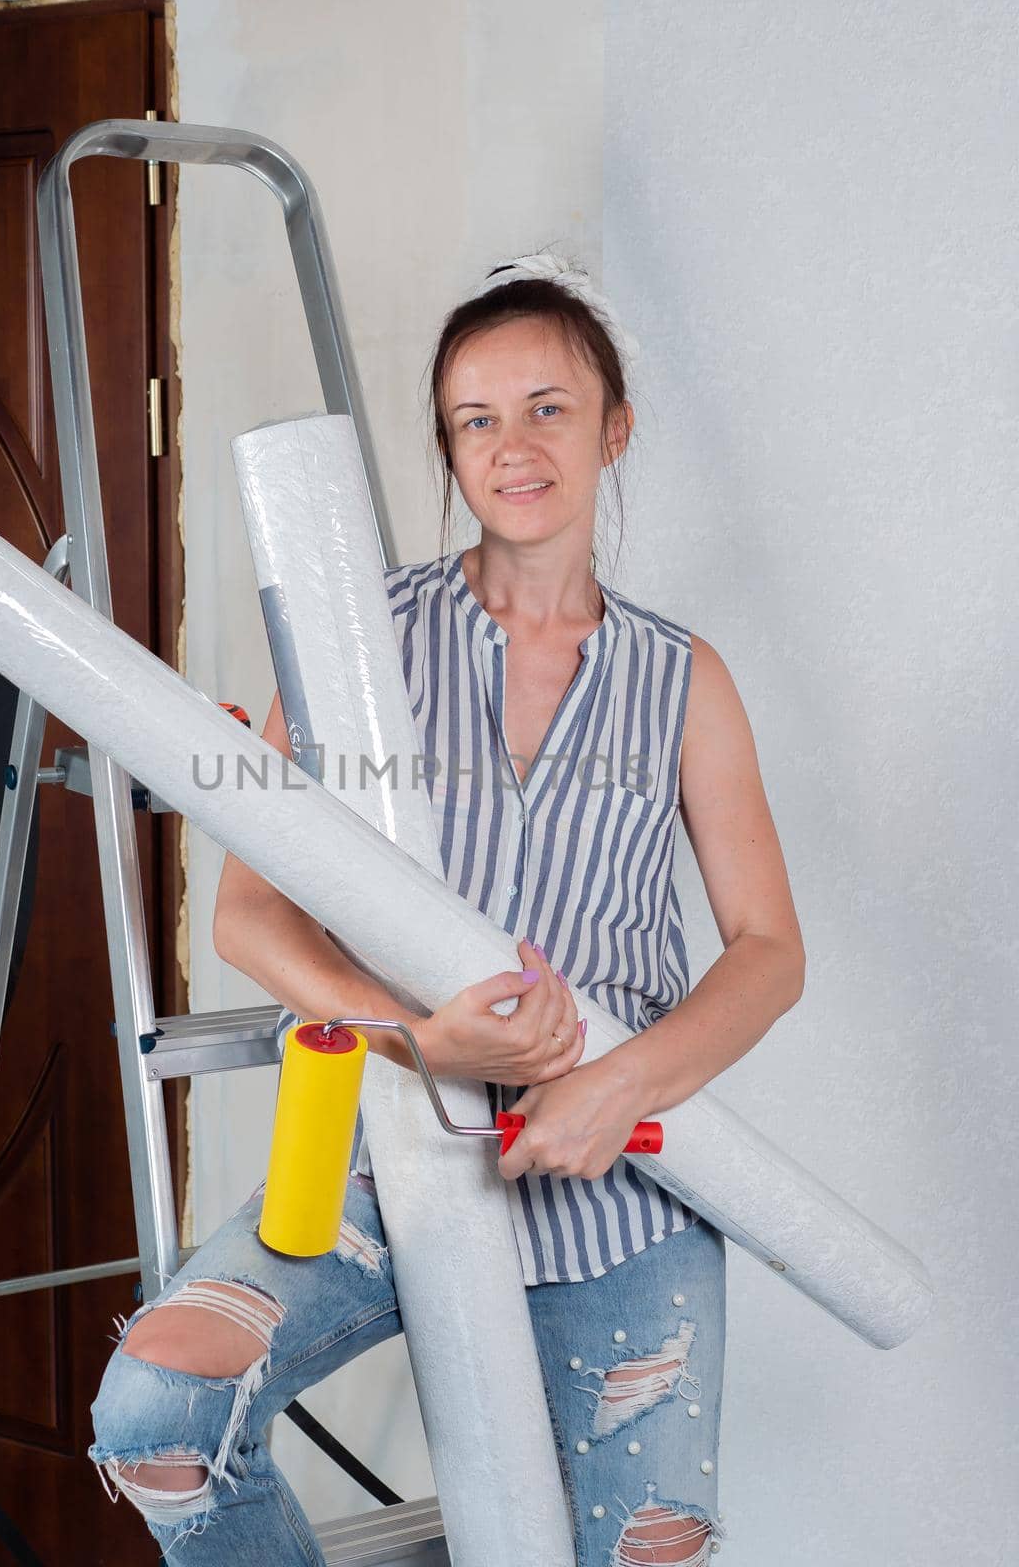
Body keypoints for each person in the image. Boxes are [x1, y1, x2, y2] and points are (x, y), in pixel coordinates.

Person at [87, 251, 806, 1565]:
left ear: (615, 429)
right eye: (476, 419)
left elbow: (767, 954)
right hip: (398, 1161)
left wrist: (613, 1084)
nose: (512, 445)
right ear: (446, 449)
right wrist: (422, 1040)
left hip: (624, 1199)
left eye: (547, 407)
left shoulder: (683, 680)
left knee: (645, 1549)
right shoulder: (357, 642)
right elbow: (248, 915)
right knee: (158, 1412)